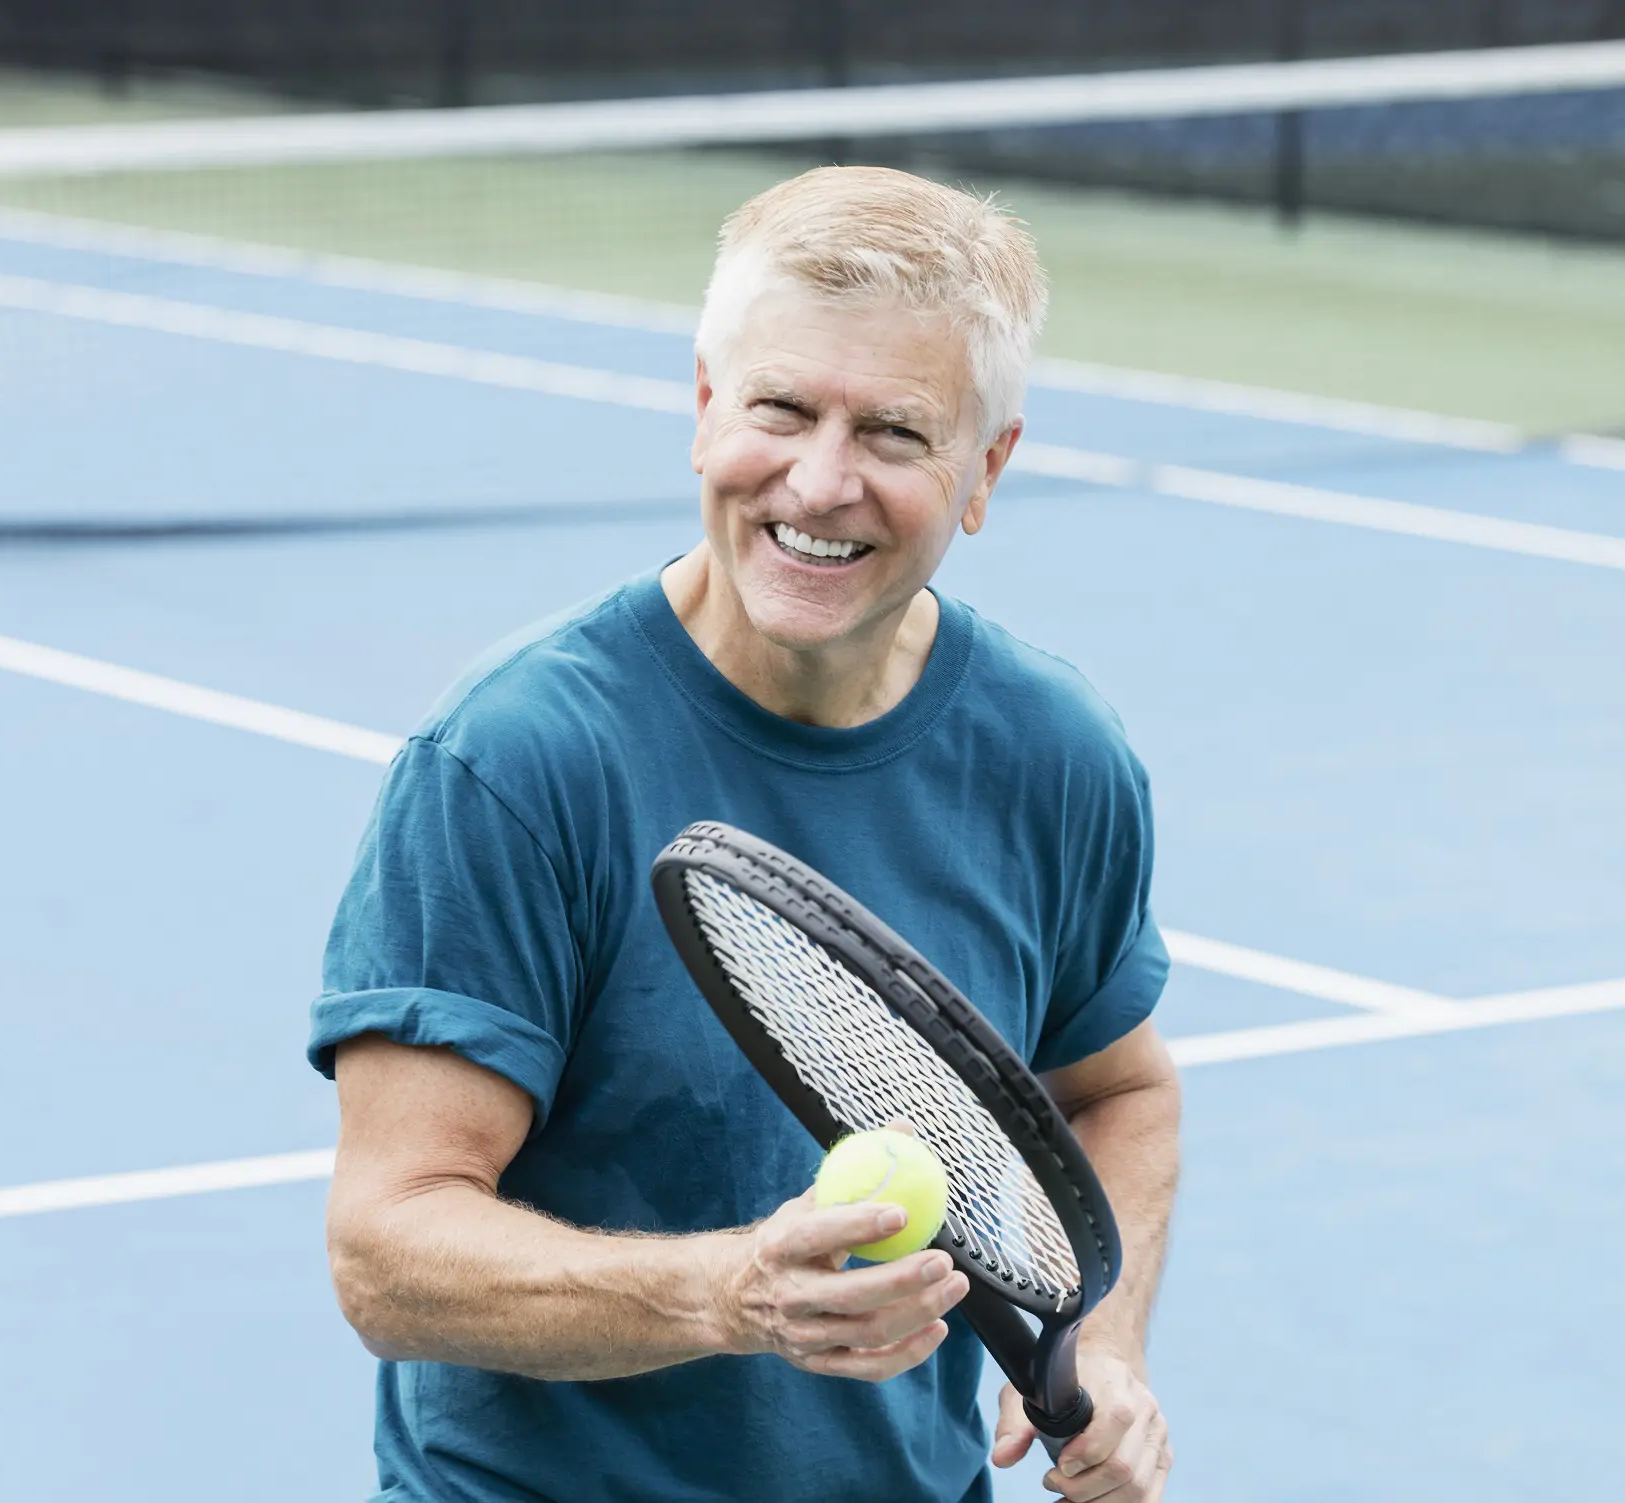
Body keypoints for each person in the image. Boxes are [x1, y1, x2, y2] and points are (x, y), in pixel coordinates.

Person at [309, 165, 1180, 1503]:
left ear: (987, 468)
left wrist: (1103, 1353)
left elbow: (1117, 1086)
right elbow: (387, 1248)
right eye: (781, 409)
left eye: (895, 433)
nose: (820, 483)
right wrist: (726, 1292)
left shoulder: (1054, 754)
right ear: (707, 407)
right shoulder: (518, 759)